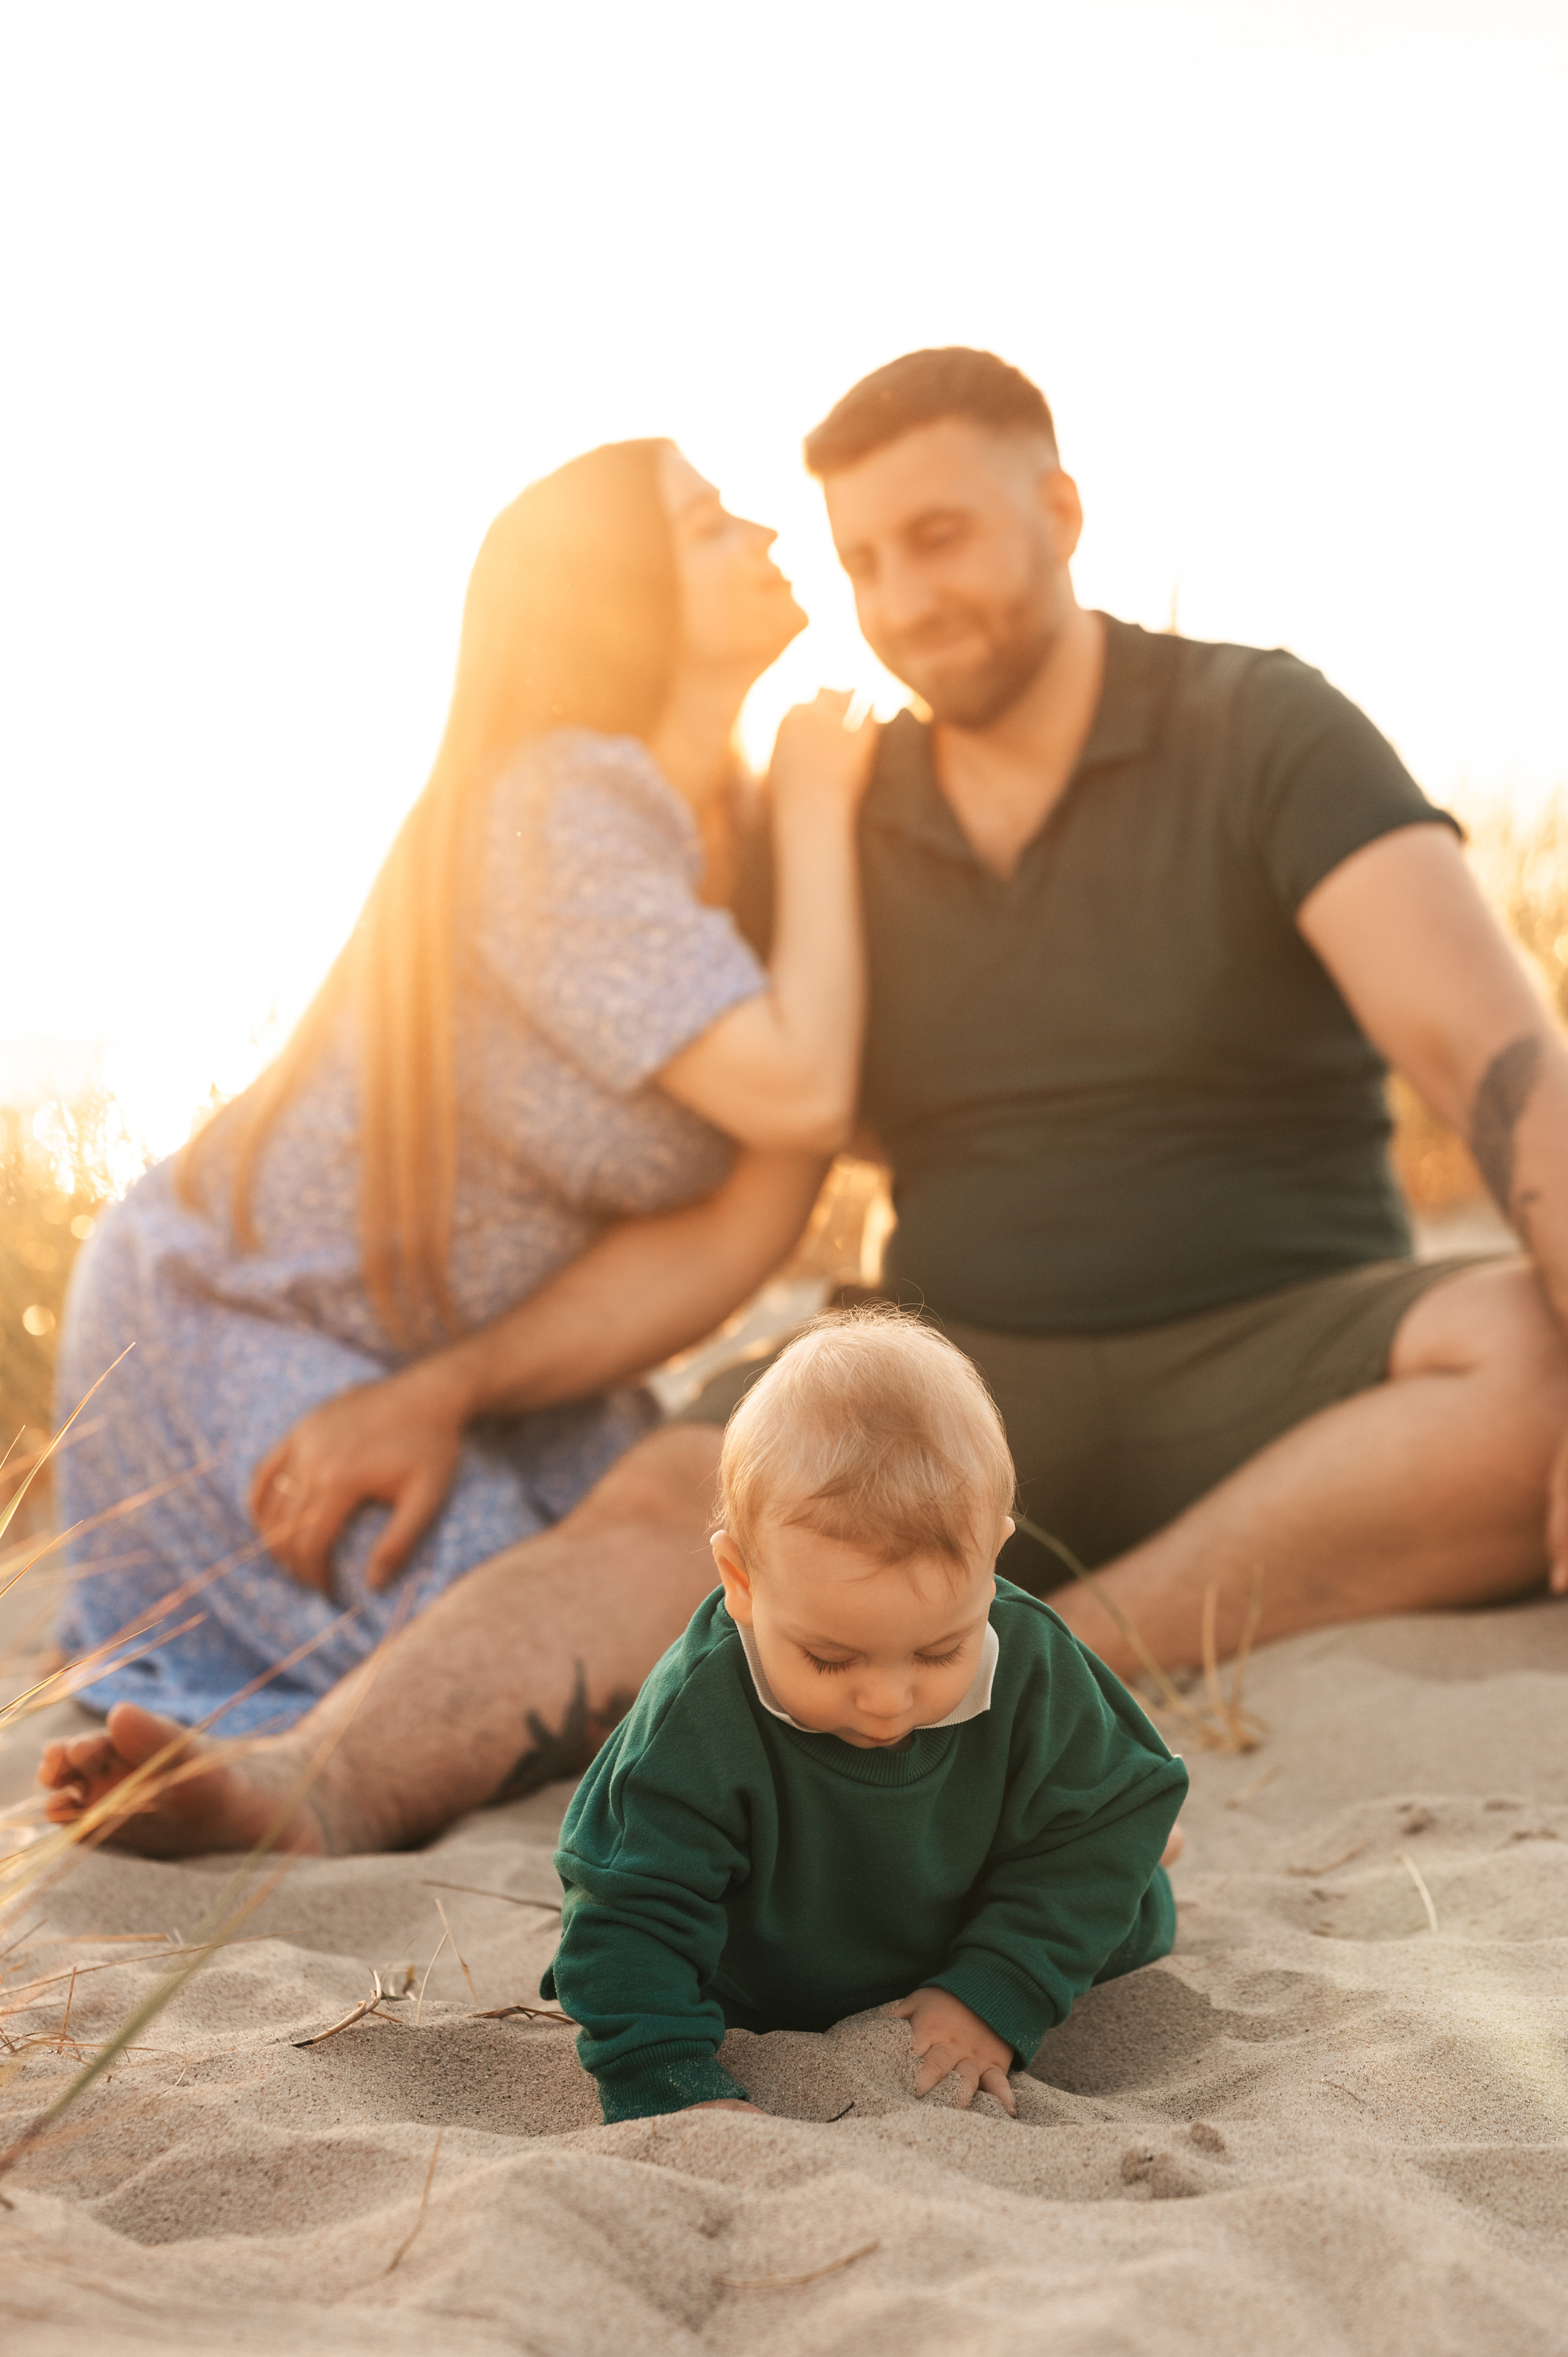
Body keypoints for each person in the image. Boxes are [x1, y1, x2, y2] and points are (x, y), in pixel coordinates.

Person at [40, 435, 875, 1806]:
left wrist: (796, 813)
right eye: (710, 524)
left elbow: (752, 1214)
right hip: (237, 1316)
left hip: (478, 1368)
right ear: (621, 596)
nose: (766, 536)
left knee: (711, 1578)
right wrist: (822, 806)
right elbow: (803, 1092)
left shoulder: (711, 831)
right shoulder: (559, 802)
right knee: (529, 1651)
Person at [797, 347, 1568, 1680]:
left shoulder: (1260, 723)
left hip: (1293, 1382)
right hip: (954, 1380)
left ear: (1058, 513)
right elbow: (767, 1133)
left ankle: (1035, 1676)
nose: (902, 602)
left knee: (1531, 1356)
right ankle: (365, 1768)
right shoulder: (834, 806)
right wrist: (456, 1382)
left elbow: (1489, 1056)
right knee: (676, 1483)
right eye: (861, 562)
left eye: (937, 537)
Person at [543, 1311, 1187, 2123]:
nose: (887, 1700)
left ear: (993, 1558)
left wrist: (992, 1994)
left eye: (939, 1651)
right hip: (780, 1967)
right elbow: (626, 1913)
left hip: (977, 1908)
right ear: (741, 1581)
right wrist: (667, 2083)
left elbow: (1117, 1815)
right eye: (830, 1659)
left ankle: (1115, 1841)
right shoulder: (696, 1714)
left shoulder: (1031, 1658)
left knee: (1115, 1867)